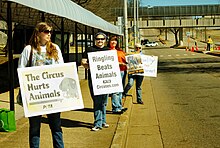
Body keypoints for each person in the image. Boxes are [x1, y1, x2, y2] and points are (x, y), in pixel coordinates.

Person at [18, 22, 64, 148]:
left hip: (52, 94)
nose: (49, 34)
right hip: (35, 95)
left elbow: (61, 70)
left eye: (50, 32)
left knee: (56, 126)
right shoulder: (28, 49)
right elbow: (21, 70)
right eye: (46, 31)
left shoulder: (55, 48)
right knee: (34, 128)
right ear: (38, 33)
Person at [81, 32, 109, 131]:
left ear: (105, 40)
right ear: (95, 40)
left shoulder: (108, 50)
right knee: (97, 100)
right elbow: (83, 62)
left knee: (104, 101)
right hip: (94, 79)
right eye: (98, 39)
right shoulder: (89, 50)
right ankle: (98, 123)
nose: (100, 41)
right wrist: (90, 65)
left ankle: (103, 120)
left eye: (102, 39)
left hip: (106, 80)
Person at [107, 35, 127, 114]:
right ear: (109, 42)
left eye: (115, 40)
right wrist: (118, 63)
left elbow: (126, 59)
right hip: (114, 72)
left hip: (122, 71)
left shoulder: (120, 51)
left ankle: (119, 106)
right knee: (115, 90)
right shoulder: (107, 51)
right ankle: (115, 108)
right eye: (112, 40)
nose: (114, 42)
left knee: (120, 90)